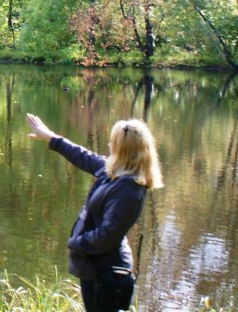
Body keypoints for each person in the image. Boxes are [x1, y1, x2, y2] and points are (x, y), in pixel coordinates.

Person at [26, 113, 163, 312]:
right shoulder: (115, 172)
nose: (109, 145)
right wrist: (51, 138)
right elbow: (85, 158)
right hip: (94, 267)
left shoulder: (129, 190)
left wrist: (75, 243)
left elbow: (107, 235)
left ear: (125, 150)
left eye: (114, 142)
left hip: (106, 273)